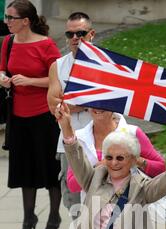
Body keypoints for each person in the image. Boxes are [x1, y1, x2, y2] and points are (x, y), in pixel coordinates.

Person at [0, 1, 61, 229]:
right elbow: (4, 70)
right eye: (6, 17)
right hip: (18, 115)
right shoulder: (8, 42)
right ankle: (28, 219)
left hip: (45, 115)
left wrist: (30, 81)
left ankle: (53, 218)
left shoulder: (46, 44)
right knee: (24, 169)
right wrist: (3, 79)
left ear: (25, 21)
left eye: (11, 17)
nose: (7, 21)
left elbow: (59, 79)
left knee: (49, 168)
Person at [47, 11, 94, 211]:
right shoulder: (58, 66)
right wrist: (89, 101)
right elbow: (54, 106)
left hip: (101, 137)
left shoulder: (106, 64)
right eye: (70, 34)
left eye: (80, 33)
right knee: (73, 197)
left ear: (91, 34)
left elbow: (109, 102)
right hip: (69, 139)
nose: (75, 38)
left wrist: (69, 100)